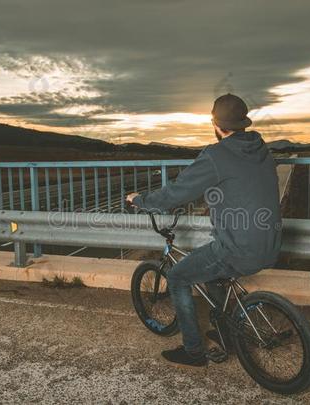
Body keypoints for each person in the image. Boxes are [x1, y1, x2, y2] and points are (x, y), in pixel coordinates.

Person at [126, 94, 282, 367]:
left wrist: (139, 200)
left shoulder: (216, 155)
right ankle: (227, 334)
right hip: (270, 244)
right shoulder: (261, 150)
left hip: (238, 248)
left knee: (177, 277)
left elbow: (175, 193)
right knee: (212, 275)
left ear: (216, 124)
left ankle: (193, 351)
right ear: (243, 123)